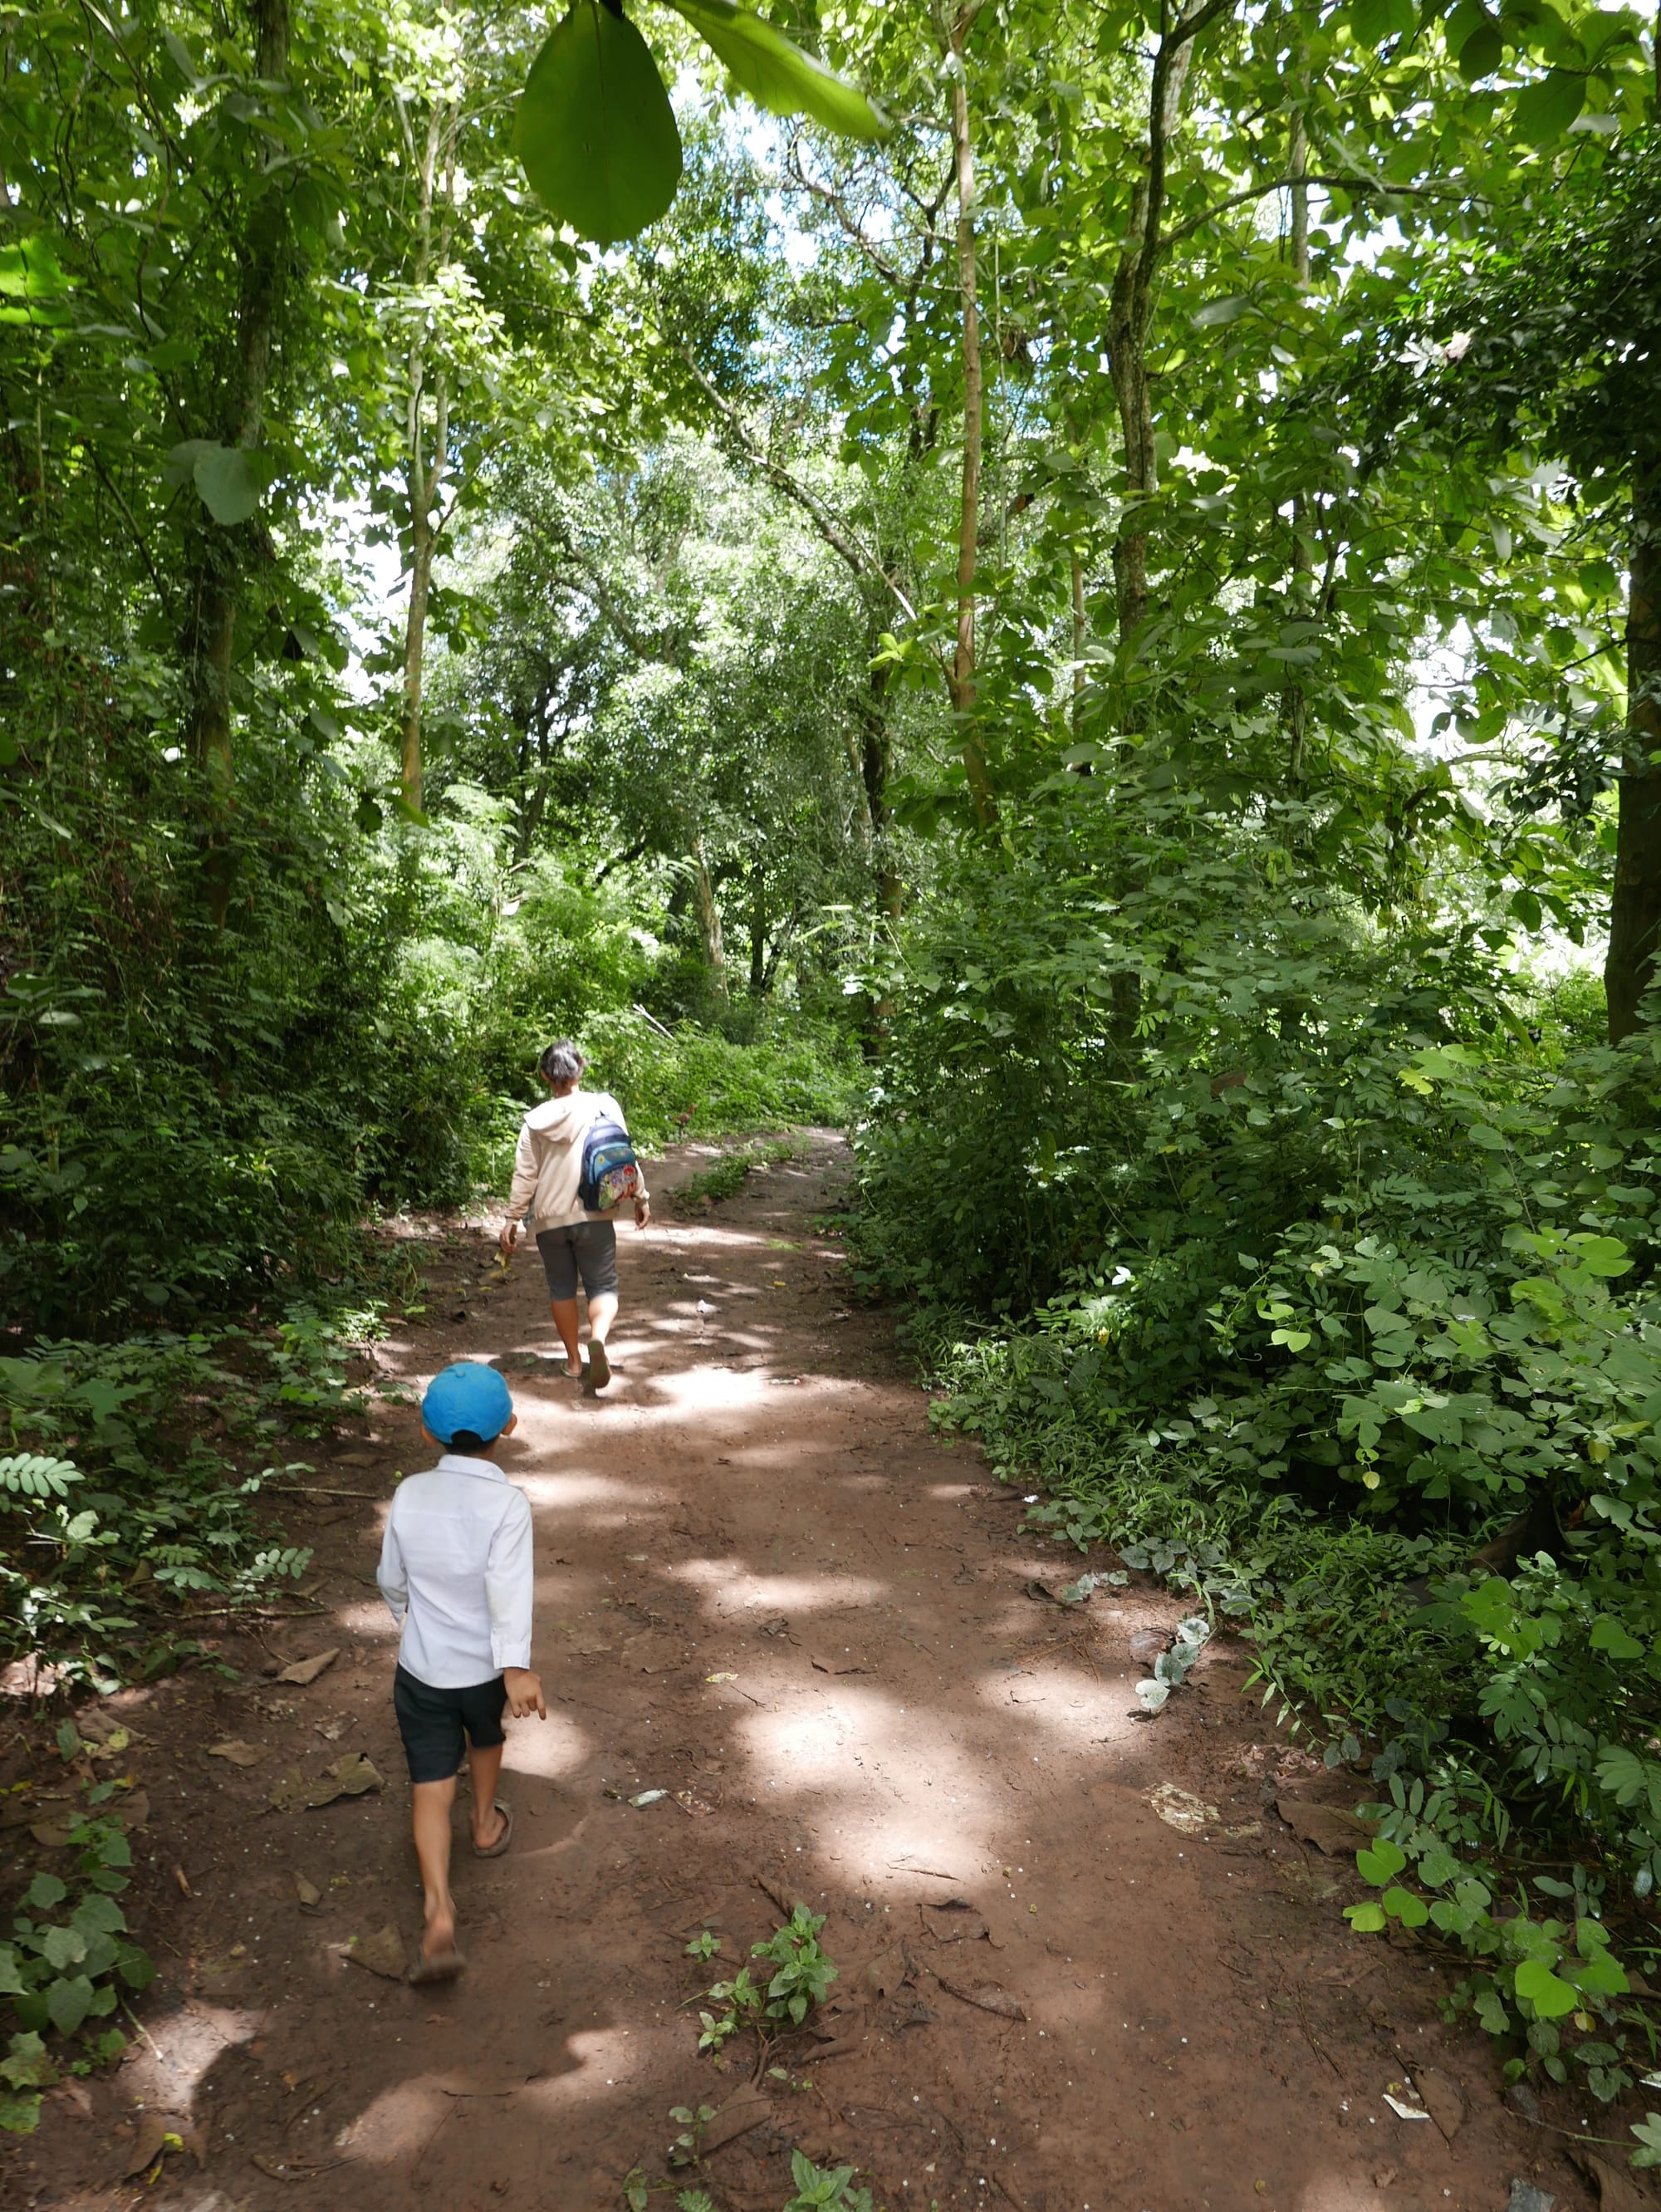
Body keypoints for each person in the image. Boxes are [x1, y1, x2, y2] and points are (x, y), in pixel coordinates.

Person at [376, 1361, 546, 1984]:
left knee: (427, 1781)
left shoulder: (409, 1494)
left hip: (421, 1669)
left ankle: (439, 1910)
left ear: (427, 1434)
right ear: (511, 1425)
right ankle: (482, 1825)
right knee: (487, 1737)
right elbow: (507, 1589)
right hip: (481, 1671)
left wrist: (408, 1617)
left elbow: (391, 1579)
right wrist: (516, 1668)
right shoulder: (508, 1504)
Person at [497, 1038, 650, 1390]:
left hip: (549, 1221)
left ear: (544, 1076)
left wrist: (511, 1218)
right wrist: (640, 1198)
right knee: (604, 1286)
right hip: (595, 1214)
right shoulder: (604, 1107)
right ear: (581, 1068)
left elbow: (525, 1175)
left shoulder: (534, 1121)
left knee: (561, 1289)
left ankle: (573, 1360)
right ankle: (597, 1337)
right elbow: (623, 1155)